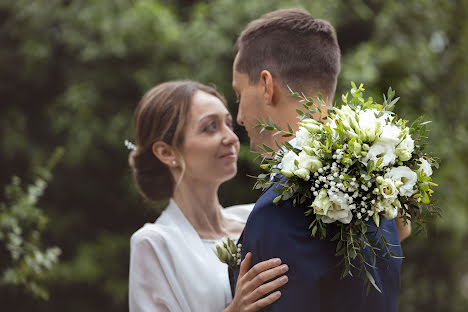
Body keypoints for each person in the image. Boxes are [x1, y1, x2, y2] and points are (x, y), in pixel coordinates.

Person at [232, 9, 410, 311]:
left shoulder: (279, 209)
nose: (238, 117)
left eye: (238, 95)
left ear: (266, 85)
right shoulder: (378, 189)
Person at [128, 80, 289, 312]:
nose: (232, 138)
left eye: (228, 123)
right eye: (210, 127)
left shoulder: (258, 216)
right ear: (166, 152)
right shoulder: (154, 244)